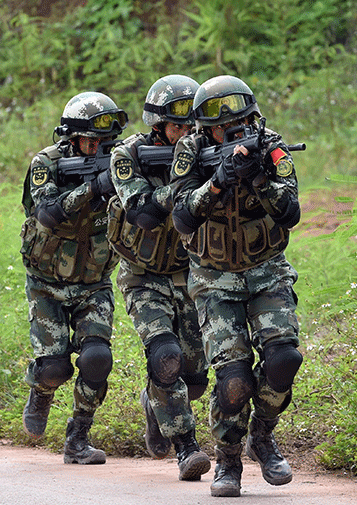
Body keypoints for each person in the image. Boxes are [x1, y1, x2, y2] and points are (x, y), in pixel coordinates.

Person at [170, 75, 302, 497]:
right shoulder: (189, 151)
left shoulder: (270, 145)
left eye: (235, 120)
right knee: (233, 378)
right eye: (216, 124)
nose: (227, 127)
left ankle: (262, 435)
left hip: (266, 268)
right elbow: (183, 216)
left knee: (284, 359)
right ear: (203, 127)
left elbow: (290, 212)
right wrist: (219, 180)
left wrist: (259, 177)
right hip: (214, 277)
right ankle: (228, 462)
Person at [108, 75, 211, 480]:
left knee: (195, 378)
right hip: (143, 275)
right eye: (178, 126)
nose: (187, 134)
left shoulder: (206, 149)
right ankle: (187, 449)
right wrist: (185, 183)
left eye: (192, 126)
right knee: (165, 358)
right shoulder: (128, 154)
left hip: (192, 273)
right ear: (157, 124)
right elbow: (143, 213)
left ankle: (155, 404)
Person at [19, 91, 127, 464]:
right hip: (46, 281)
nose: (98, 149)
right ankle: (41, 391)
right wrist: (92, 188)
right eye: (90, 141)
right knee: (54, 368)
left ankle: (78, 436)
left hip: (93, 281)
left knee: (97, 359)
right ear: (71, 137)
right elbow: (47, 213)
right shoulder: (46, 164)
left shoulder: (121, 161)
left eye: (106, 143)